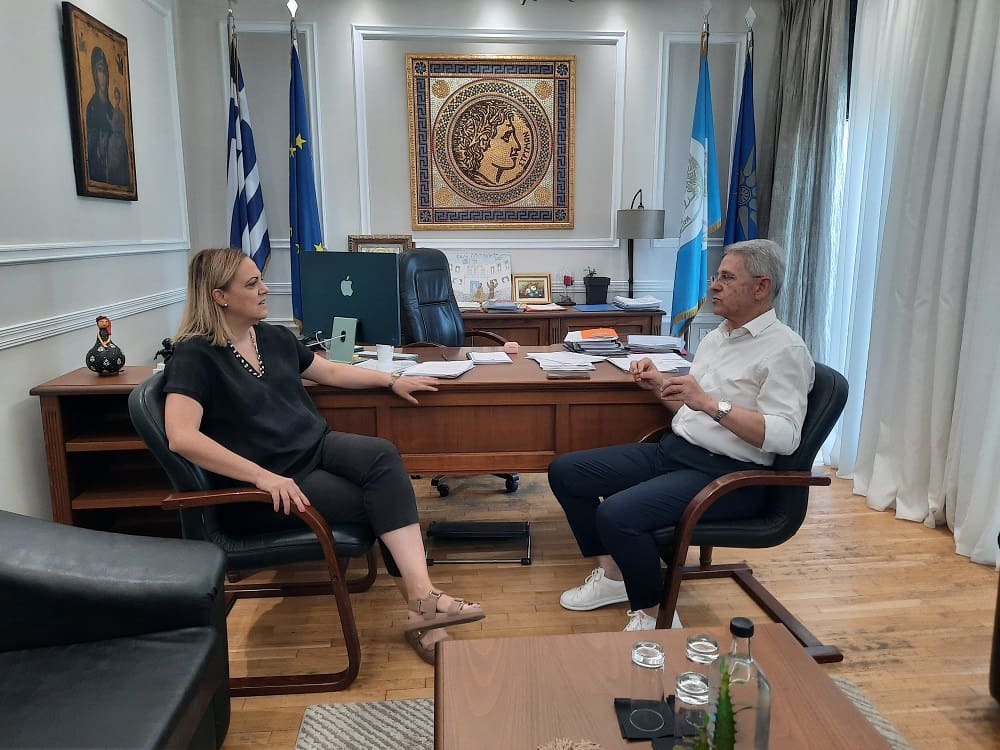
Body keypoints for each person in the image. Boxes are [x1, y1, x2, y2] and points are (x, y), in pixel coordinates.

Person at [162, 247, 484, 664]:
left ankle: (423, 598)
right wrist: (261, 476)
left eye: (261, 280)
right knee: (378, 501)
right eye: (253, 283)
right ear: (219, 296)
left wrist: (391, 380)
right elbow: (181, 437)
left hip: (314, 447)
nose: (265, 290)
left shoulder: (272, 337)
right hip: (273, 484)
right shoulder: (194, 355)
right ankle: (425, 613)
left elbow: (329, 371)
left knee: (383, 456)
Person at [548, 239, 814, 632]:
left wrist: (708, 402)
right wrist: (661, 386)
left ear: (761, 287)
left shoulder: (785, 350)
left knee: (617, 514)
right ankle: (614, 577)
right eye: (715, 276)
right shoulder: (717, 337)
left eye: (727, 278)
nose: (714, 286)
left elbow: (785, 436)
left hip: (729, 476)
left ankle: (658, 617)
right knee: (567, 472)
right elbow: (694, 411)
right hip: (676, 452)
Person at [85, 46, 129, 186]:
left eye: (105, 70)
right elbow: (91, 148)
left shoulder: (112, 109)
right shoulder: (91, 108)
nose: (103, 74)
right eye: (99, 69)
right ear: (94, 74)